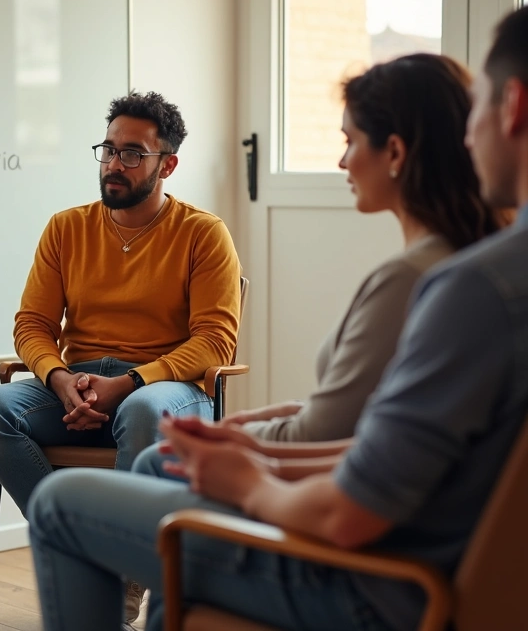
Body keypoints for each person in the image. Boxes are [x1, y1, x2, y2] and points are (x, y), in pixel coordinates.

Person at [25, 16, 528, 631]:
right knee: (32, 422)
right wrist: (256, 435)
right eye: (111, 148)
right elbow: (400, 450)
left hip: (370, 577)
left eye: (349, 140)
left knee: (63, 501)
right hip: (415, 553)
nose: (341, 159)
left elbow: (354, 504)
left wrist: (252, 473)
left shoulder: (457, 286)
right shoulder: (488, 274)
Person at [130, 53, 509, 483]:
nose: (342, 162)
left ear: (395, 152)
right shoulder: (470, 257)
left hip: (321, 508)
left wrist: (244, 440)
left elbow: (326, 433)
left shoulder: (409, 280)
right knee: (155, 461)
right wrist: (253, 422)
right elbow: (363, 414)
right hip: (341, 480)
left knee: (100, 484)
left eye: (350, 141)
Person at [0, 90, 241, 508]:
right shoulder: (66, 228)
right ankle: (71, 533)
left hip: (165, 388)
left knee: (143, 410)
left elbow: (215, 342)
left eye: (132, 154)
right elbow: (33, 325)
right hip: (77, 386)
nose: (113, 165)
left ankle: (125, 560)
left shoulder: (203, 232)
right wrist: (58, 379)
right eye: (108, 149)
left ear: (167, 164)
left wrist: (130, 383)